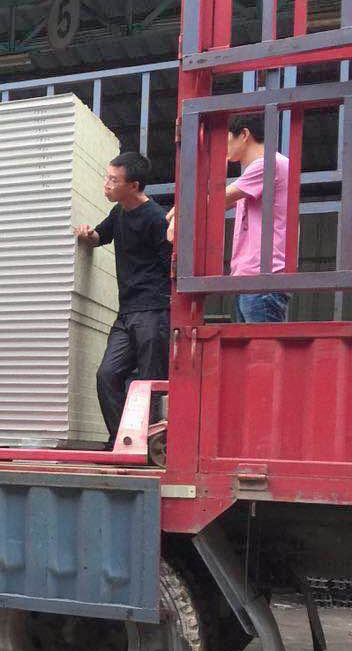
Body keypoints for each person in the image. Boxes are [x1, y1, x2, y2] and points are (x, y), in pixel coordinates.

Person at [74, 151, 172, 443]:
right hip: (126, 313)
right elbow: (100, 237)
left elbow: (170, 267)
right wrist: (86, 234)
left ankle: (150, 446)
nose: (106, 185)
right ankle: (123, 441)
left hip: (153, 311)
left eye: (114, 180)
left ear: (134, 185)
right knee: (107, 375)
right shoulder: (119, 212)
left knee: (150, 383)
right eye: (107, 177)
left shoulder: (156, 219)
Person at [167, 113, 290, 323]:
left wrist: (180, 214)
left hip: (262, 279)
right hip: (252, 279)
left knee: (260, 345)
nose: (222, 146)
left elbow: (217, 200)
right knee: (254, 345)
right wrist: (181, 211)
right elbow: (213, 204)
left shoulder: (269, 163)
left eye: (226, 138)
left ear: (244, 134)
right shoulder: (257, 172)